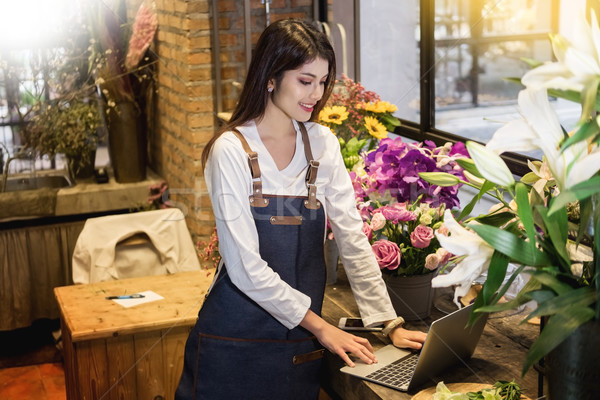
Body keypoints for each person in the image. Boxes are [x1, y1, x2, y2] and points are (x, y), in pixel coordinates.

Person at [175, 18, 427, 400]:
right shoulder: (230, 150)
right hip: (231, 345)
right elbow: (244, 268)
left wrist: (387, 322)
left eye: (323, 82)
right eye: (305, 81)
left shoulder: (322, 143)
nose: (316, 93)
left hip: (297, 347)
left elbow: (352, 237)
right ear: (271, 77)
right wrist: (322, 327)